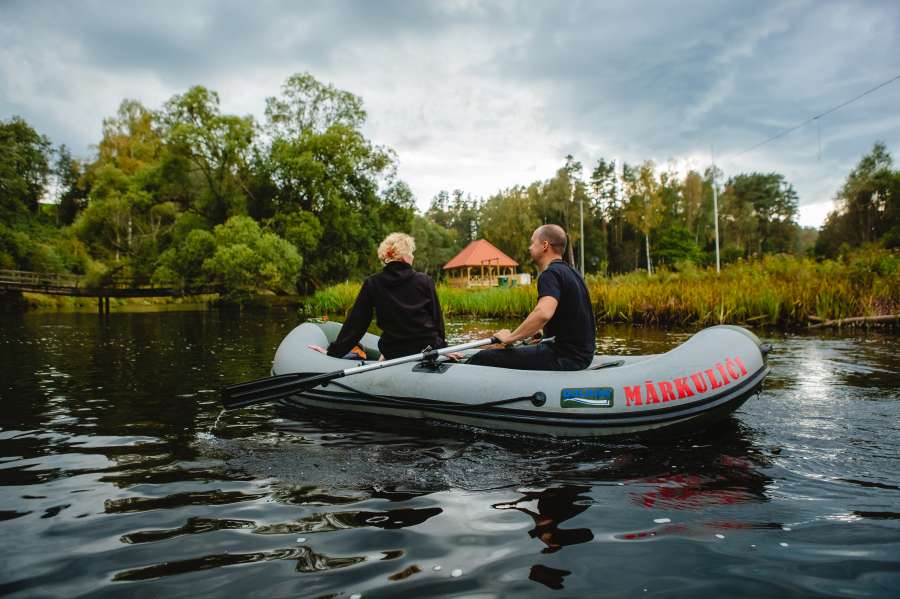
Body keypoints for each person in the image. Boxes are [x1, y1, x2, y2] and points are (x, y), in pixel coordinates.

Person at [466, 224, 595, 371]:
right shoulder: (572, 273)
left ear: (545, 245)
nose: (529, 247)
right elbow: (570, 315)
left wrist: (510, 338)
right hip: (582, 355)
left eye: (533, 243)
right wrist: (542, 333)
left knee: (484, 357)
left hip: (565, 357)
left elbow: (543, 312)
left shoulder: (550, 274)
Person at [309, 232, 447, 360]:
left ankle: (385, 356)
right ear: (405, 256)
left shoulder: (372, 283)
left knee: (389, 348)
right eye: (411, 253)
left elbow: (356, 324)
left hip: (394, 352)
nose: (413, 256)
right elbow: (437, 320)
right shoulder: (425, 281)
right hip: (427, 349)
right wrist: (442, 348)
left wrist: (333, 353)